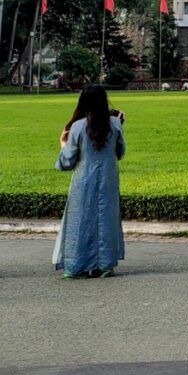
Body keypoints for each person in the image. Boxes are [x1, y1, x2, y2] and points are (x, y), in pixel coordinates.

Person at [53, 85, 126, 279]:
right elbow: (120, 152)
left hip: (83, 178)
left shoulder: (77, 127)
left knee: (80, 219)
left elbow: (67, 161)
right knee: (106, 218)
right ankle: (105, 264)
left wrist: (62, 143)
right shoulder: (115, 124)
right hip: (108, 179)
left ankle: (78, 265)